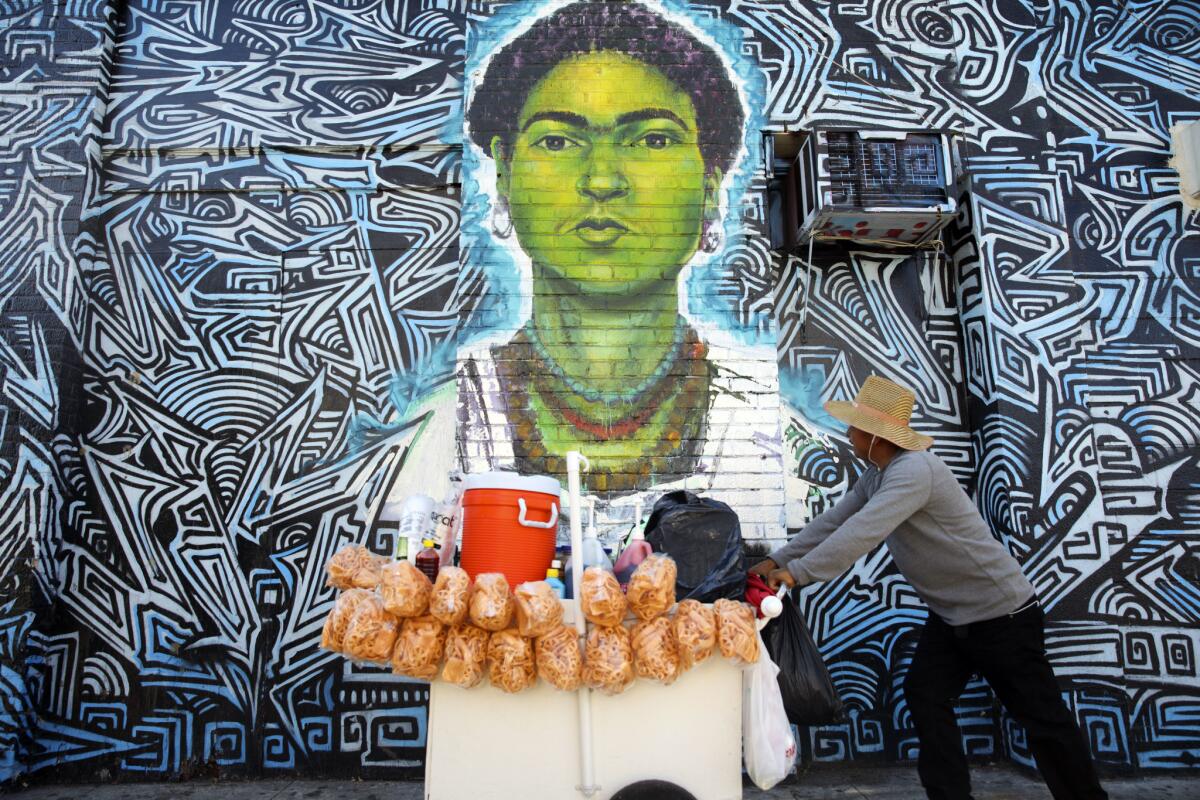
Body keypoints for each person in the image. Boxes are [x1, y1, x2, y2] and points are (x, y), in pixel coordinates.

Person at [460, 0, 778, 501]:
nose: (602, 180)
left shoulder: (759, 417)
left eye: (652, 140)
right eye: (558, 141)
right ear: (504, 171)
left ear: (711, 183)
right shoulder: (452, 412)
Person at [752, 375, 1108, 800]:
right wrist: (778, 560)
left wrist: (799, 573)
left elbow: (864, 530)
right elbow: (835, 521)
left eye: (854, 427)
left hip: (1002, 616)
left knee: (1041, 719)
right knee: (925, 694)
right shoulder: (877, 475)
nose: (848, 435)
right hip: (953, 619)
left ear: (876, 436)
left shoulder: (915, 471)